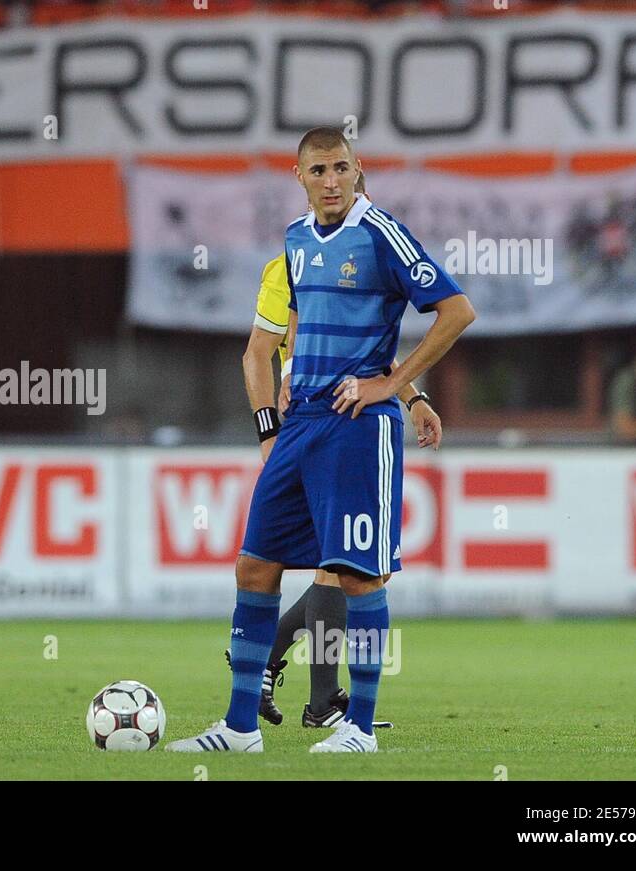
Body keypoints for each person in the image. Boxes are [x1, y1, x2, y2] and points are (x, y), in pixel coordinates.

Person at [168, 126, 474, 753]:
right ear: (299, 177)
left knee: (357, 576)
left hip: (356, 430)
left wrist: (394, 385)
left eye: (341, 168)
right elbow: (292, 334)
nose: (331, 181)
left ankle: (358, 727)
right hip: (301, 424)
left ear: (358, 169)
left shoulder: (381, 232)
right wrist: (280, 407)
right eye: (318, 171)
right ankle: (240, 726)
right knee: (255, 566)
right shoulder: (296, 242)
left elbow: (456, 310)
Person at [233, 227, 441, 727]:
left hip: (342, 424)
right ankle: (314, 695)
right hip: (311, 425)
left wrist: (411, 397)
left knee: (345, 567)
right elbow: (260, 350)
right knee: (348, 568)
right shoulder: (290, 263)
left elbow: (363, 347)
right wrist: (269, 432)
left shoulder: (359, 253)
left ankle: (308, 691)